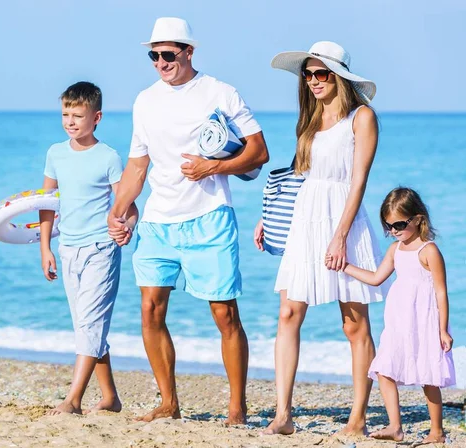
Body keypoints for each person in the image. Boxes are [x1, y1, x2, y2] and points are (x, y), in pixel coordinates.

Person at [108, 17, 269, 425]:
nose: (160, 62)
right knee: (150, 311)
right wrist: (119, 209)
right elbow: (138, 164)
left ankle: (237, 407)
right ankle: (169, 403)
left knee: (224, 314)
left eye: (168, 54)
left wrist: (213, 167)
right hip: (159, 222)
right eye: (154, 55)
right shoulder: (144, 101)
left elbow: (259, 153)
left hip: (209, 218)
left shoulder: (220, 92)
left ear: (189, 52)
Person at [255, 41, 387, 435]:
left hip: (343, 223)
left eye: (321, 73)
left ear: (339, 76)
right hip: (304, 219)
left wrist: (340, 236)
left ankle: (358, 417)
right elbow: (300, 176)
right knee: (288, 313)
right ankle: (283, 415)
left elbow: (359, 181)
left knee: (353, 324)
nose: (313, 80)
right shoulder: (310, 118)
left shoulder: (362, 117)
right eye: (308, 74)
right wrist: (268, 217)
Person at [39, 81, 138, 415]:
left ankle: (73, 400)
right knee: (85, 325)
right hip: (67, 249)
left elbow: (129, 205)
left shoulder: (108, 156)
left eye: (78, 115)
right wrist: (45, 248)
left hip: (100, 248)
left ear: (96, 117)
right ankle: (110, 398)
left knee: (91, 323)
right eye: (66, 114)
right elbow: (47, 203)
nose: (70, 121)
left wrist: (127, 227)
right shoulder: (55, 153)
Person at [330, 187, 455, 444]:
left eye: (399, 224)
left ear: (418, 218)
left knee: (428, 375)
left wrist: (443, 329)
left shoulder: (429, 251)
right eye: (388, 227)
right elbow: (376, 279)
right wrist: (347, 267)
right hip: (399, 320)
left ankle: (437, 431)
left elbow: (441, 293)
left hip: (424, 321)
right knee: (384, 370)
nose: (394, 231)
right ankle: (395, 426)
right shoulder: (395, 250)